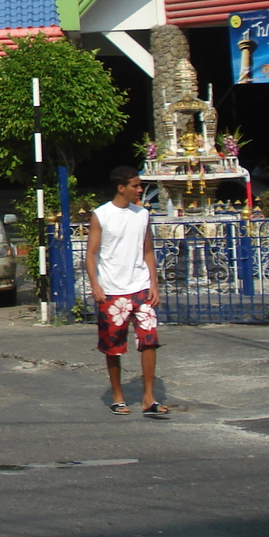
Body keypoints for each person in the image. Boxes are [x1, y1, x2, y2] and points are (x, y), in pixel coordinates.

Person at [86, 166, 169, 418]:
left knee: (149, 341)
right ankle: (118, 395)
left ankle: (148, 397)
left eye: (140, 185)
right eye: (135, 185)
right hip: (112, 291)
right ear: (121, 187)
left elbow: (147, 251)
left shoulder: (142, 215)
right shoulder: (101, 215)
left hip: (140, 287)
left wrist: (154, 283)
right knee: (113, 345)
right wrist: (95, 285)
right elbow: (91, 253)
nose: (140, 190)